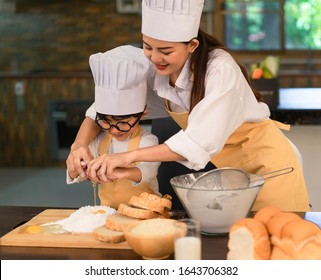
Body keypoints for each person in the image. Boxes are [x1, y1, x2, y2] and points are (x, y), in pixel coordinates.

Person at [67, 0, 309, 212]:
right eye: (147, 46)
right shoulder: (156, 65)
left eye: (165, 50)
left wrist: (128, 157)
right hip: (231, 173)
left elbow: (195, 141)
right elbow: (105, 104)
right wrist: (79, 145)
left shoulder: (220, 70)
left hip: (271, 170)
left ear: (191, 45)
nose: (154, 58)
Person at [66, 45, 160, 209]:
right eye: (106, 122)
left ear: (143, 114)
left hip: (144, 211)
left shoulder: (148, 140)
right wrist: (77, 166)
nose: (115, 130)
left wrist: (120, 172)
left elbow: (149, 171)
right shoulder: (99, 141)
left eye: (123, 123)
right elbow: (76, 174)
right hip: (109, 212)